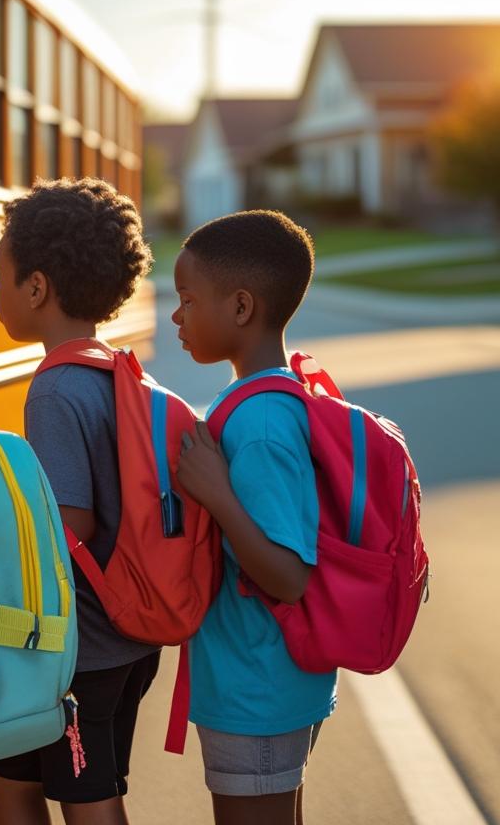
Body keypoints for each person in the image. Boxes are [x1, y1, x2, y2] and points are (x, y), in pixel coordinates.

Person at [0, 178, 159, 825]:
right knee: (6, 774)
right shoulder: (114, 368)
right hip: (125, 638)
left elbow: (67, 523)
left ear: (37, 287)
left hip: (81, 650)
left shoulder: (53, 390)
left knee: (89, 797)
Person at [170, 210, 331, 825]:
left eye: (188, 300)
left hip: (257, 685)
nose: (177, 316)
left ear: (241, 307)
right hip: (262, 681)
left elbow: (288, 577)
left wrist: (216, 493)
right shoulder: (266, 398)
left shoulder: (261, 425)